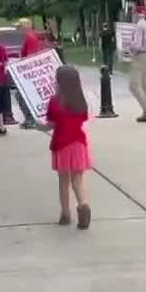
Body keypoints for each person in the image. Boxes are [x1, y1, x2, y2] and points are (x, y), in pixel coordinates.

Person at [46, 64, 93, 230]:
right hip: (79, 144)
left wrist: (37, 126)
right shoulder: (80, 101)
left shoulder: (54, 102)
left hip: (61, 144)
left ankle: (65, 214)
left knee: (63, 181)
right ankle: (83, 205)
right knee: (78, 180)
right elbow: (83, 118)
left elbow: (50, 124)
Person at [128, 5, 146, 122]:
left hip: (141, 56)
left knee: (133, 84)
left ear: (136, 14)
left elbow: (137, 45)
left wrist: (129, 46)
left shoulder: (139, 26)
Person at [15, 18, 44, 129]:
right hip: (30, 71)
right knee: (25, 95)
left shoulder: (30, 37)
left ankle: (30, 119)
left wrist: (22, 64)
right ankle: (30, 119)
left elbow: (31, 56)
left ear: (25, 26)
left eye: (20, 26)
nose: (19, 28)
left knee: (21, 95)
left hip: (29, 72)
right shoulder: (31, 36)